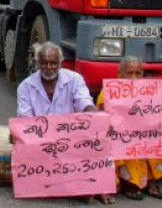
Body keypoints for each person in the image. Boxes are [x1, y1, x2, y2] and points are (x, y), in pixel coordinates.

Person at [15, 41, 112, 204]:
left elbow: (84, 102)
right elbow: (25, 120)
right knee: (24, 149)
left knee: (97, 138)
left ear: (60, 63)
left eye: (52, 63)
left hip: (71, 139)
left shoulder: (74, 79)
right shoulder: (25, 87)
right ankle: (77, 188)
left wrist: (98, 120)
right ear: (37, 63)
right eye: (43, 63)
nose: (48, 67)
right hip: (41, 140)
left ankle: (96, 186)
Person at [97, 56, 162, 200]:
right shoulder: (109, 91)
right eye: (129, 73)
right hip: (122, 139)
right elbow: (101, 116)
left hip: (143, 138)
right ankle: (127, 182)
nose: (134, 78)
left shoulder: (150, 91)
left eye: (138, 73)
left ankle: (149, 180)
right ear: (120, 74)